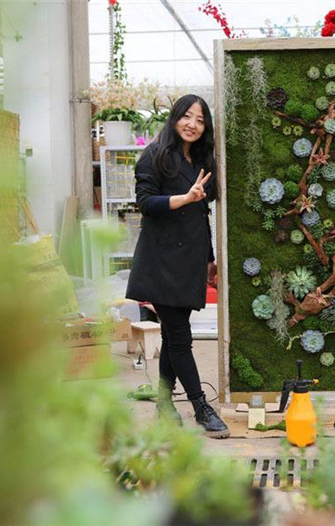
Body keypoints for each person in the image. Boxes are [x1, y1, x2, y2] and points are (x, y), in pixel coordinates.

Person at [125, 94, 229, 439]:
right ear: (174, 119)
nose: (192, 125)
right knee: (181, 339)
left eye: (200, 120)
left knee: (172, 337)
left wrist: (209, 258)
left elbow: (202, 215)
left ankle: (165, 406)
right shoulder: (155, 155)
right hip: (160, 260)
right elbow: (144, 203)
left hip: (189, 260)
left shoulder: (200, 160)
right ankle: (201, 407)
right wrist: (184, 198)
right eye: (187, 117)